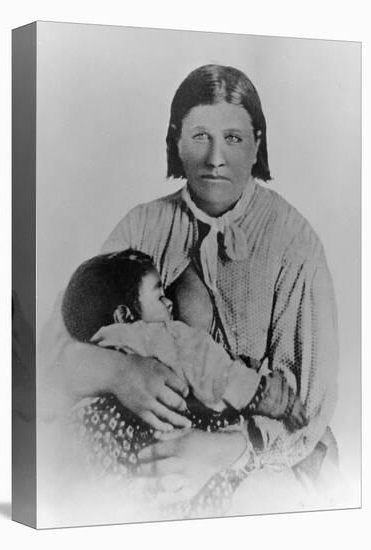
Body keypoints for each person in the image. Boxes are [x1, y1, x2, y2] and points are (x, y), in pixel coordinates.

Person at [39, 64, 338, 515]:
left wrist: (225, 450)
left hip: (262, 469)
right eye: (199, 136)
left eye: (234, 138)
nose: (215, 158)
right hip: (150, 452)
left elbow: (310, 408)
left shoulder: (295, 243)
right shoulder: (143, 224)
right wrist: (118, 373)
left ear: (257, 142)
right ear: (175, 141)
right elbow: (55, 350)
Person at [61, 248, 307, 480]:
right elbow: (212, 370)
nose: (169, 304)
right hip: (164, 446)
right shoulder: (162, 334)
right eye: (159, 296)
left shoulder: (95, 352)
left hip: (103, 450)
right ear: (125, 315)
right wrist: (270, 396)